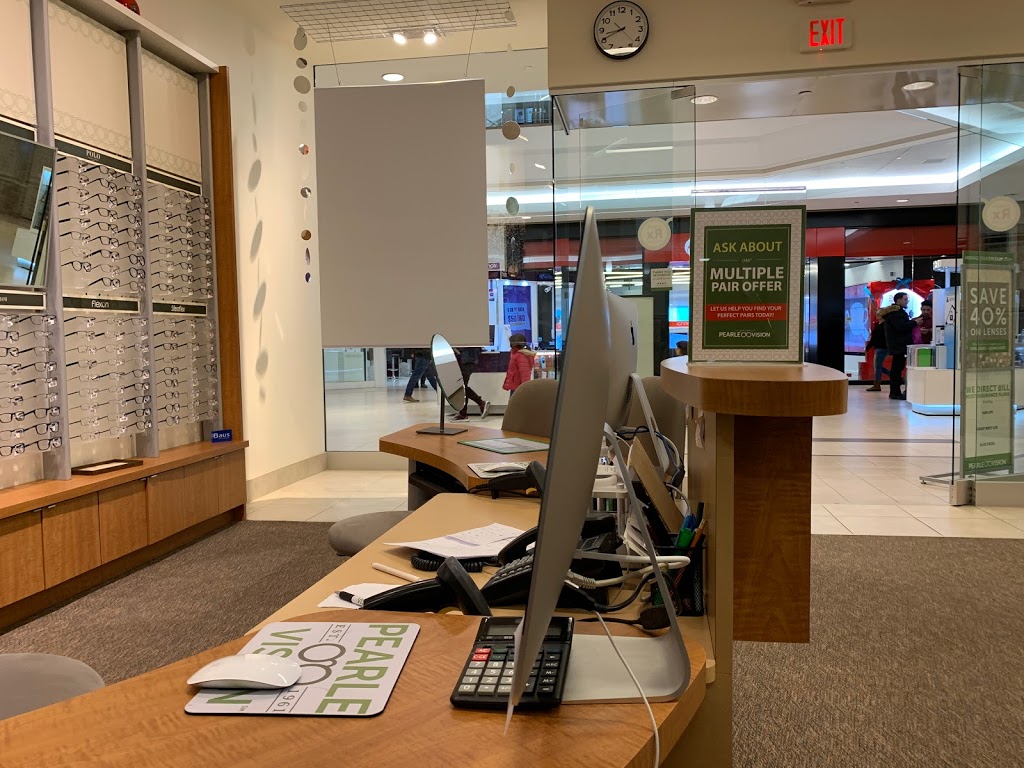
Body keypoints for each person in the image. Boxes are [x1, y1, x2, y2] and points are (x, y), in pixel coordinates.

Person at [880, 292, 917, 401]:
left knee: (897, 368)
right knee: (896, 369)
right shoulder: (896, 313)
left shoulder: (894, 313)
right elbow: (901, 327)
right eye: (905, 299)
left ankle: (895, 391)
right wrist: (914, 323)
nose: (907, 301)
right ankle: (895, 392)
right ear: (898, 300)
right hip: (899, 345)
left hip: (897, 345)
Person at [451, 347, 491, 421]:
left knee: (462, 386)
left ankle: (480, 403)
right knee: (462, 386)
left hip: (467, 359)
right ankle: (463, 413)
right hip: (468, 359)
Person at [503, 333, 533, 398]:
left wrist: (524, 388)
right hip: (517, 386)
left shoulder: (520, 355)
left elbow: (524, 373)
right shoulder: (518, 354)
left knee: (514, 403)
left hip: (518, 386)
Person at [864, 320, 888, 392]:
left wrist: (867, 348)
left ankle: (877, 385)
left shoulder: (885, 325)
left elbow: (874, 338)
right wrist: (867, 348)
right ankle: (893, 376)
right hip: (879, 347)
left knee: (878, 367)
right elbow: (873, 338)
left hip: (882, 348)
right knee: (878, 366)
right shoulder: (878, 325)